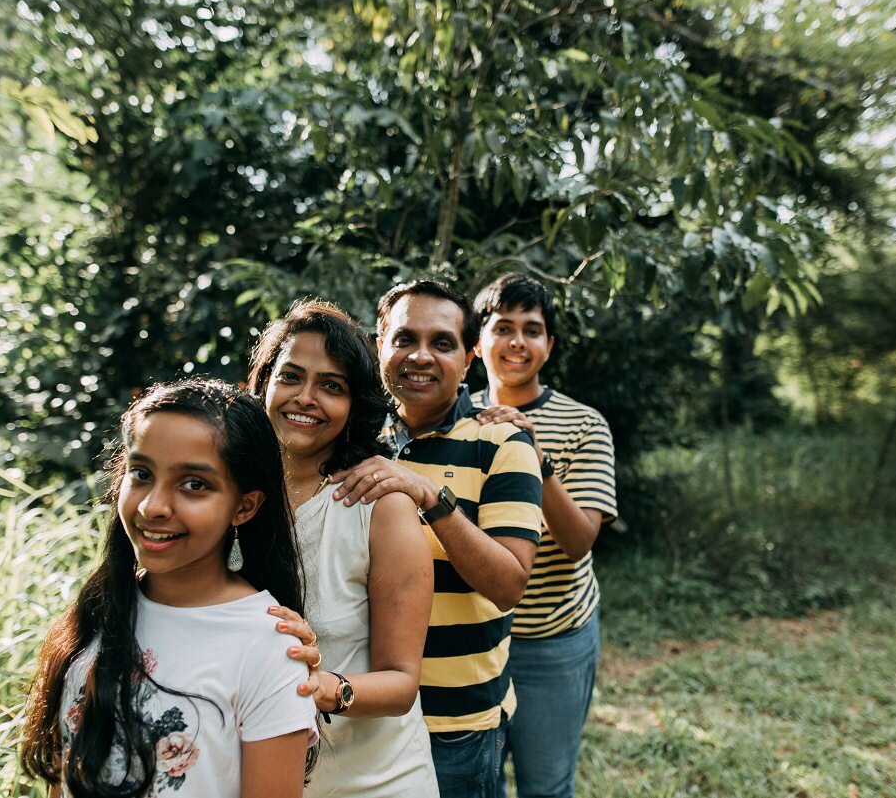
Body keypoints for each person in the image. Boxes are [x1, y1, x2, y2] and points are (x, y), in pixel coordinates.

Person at [21, 378, 318, 798]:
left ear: (244, 506)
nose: (152, 507)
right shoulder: (99, 611)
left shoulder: (267, 648)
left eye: (193, 484)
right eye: (141, 474)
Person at [326, 280, 544, 798]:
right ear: (380, 345)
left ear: (468, 360)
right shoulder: (348, 441)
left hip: (457, 724)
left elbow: (509, 583)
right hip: (359, 711)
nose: (420, 356)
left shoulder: (503, 445)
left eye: (442, 343)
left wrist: (431, 498)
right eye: (404, 339)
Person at [247, 299, 439, 797]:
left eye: (331, 386)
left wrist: (324, 688)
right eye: (290, 377)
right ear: (264, 382)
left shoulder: (379, 506)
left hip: (372, 781)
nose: (305, 398)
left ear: (354, 405)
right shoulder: (226, 496)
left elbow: (401, 683)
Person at [472, 273, 618, 798]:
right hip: (470, 640)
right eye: (503, 327)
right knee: (470, 782)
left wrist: (537, 457)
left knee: (546, 786)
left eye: (531, 330)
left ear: (548, 346)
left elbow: (580, 540)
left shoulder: (584, 424)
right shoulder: (455, 418)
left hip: (553, 640)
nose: (516, 342)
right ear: (476, 342)